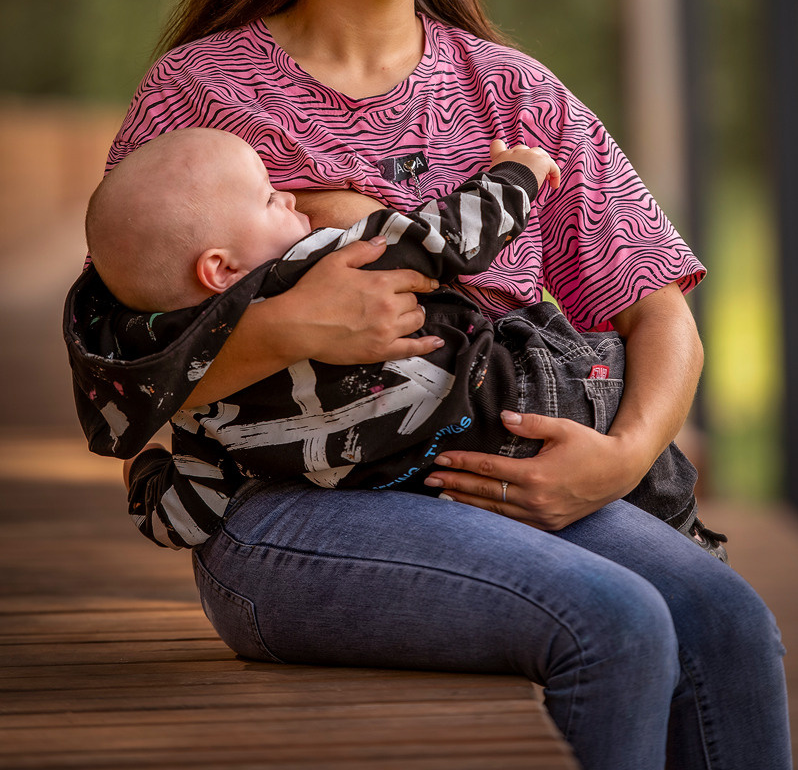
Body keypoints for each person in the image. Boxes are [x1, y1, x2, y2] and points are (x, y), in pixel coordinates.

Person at [64, 0, 790, 770]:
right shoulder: (202, 99)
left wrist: (619, 460)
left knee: (724, 618)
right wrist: (284, 327)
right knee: (616, 625)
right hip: (288, 520)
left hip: (504, 482)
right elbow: (130, 385)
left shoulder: (516, 95)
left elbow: (658, 306)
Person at [79, 125, 707, 554]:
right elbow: (449, 241)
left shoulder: (201, 419)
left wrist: (146, 474)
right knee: (655, 468)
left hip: (447, 476)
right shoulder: (323, 261)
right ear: (220, 269)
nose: (293, 195)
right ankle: (688, 534)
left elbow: (182, 518)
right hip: (531, 393)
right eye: (272, 198)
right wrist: (518, 173)